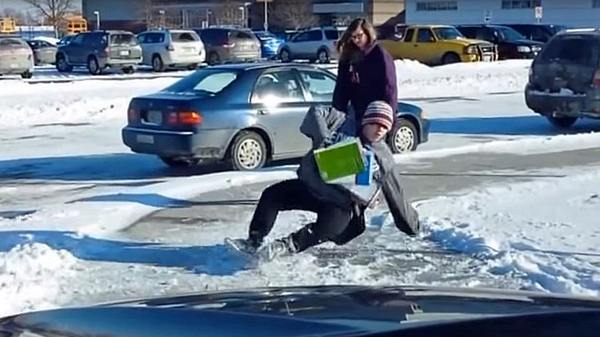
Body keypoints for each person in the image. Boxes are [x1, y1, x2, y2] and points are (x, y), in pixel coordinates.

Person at [227, 101, 420, 260]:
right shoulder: (342, 123)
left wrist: (411, 226)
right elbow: (315, 112)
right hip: (312, 187)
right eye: (376, 124)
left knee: (329, 227)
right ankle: (253, 241)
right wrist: (324, 140)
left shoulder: (383, 157)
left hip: (340, 205)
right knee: (272, 195)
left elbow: (396, 194)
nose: (380, 130)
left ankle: (286, 246)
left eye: (385, 127)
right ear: (365, 121)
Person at [333, 18, 398, 134]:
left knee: (372, 147)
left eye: (359, 36)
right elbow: (341, 87)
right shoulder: (348, 56)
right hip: (356, 111)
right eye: (353, 37)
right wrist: (337, 111)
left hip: (376, 114)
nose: (356, 40)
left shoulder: (379, 55)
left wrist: (390, 117)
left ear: (368, 33)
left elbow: (390, 88)